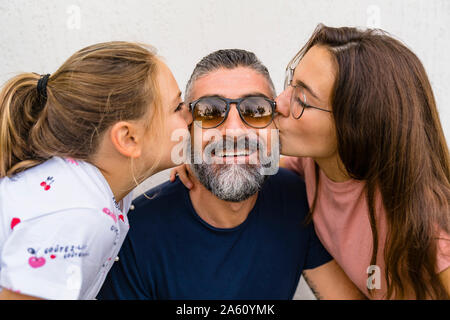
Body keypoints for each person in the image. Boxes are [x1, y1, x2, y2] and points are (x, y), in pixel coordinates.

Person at [173, 25, 450, 299]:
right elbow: (244, 168)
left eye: (301, 99)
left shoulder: (433, 233)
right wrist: (202, 159)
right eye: (290, 84)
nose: (278, 103)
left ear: (354, 126)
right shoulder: (308, 167)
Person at [97, 49, 364, 300]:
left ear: (276, 123)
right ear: (188, 127)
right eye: (210, 112)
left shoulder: (295, 198)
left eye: (256, 110)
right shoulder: (134, 234)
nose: (234, 132)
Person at [0, 41, 192, 299]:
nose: (191, 116)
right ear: (127, 138)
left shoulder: (97, 186)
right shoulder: (79, 214)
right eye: (177, 107)